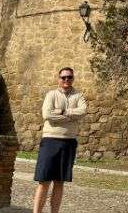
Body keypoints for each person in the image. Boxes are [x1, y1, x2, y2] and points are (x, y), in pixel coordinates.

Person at [33, 67, 87, 213]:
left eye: (69, 77)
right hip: (50, 140)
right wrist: (70, 117)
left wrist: (62, 112)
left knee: (59, 182)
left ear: (73, 78)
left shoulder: (79, 96)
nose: (66, 80)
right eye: (63, 77)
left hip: (68, 142)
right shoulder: (51, 95)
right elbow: (47, 115)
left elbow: (82, 111)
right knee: (44, 181)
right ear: (59, 79)